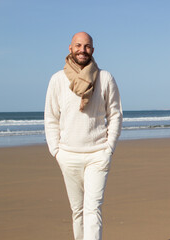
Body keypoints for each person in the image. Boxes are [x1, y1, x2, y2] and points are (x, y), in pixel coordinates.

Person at [44, 32, 123, 240]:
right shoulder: (57, 80)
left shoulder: (105, 78)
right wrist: (56, 150)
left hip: (97, 154)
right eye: (78, 45)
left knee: (92, 209)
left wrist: (109, 148)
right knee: (78, 211)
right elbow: (51, 117)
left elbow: (115, 114)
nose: (82, 50)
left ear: (93, 50)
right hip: (68, 155)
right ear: (70, 48)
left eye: (87, 46)